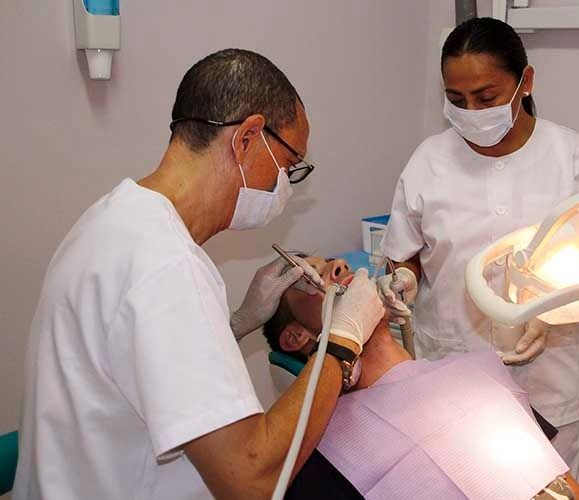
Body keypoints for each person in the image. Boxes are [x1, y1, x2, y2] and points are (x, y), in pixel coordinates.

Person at [14, 49, 384, 500]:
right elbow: (252, 481)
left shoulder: (112, 219)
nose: (285, 185)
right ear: (248, 138)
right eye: (289, 166)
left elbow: (138, 366)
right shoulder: (167, 266)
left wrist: (238, 323)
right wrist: (342, 341)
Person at [377, 18, 579, 483]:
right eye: (457, 100)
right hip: (450, 372)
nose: (471, 112)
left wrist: (554, 313)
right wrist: (400, 279)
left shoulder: (575, 160)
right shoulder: (429, 161)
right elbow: (405, 254)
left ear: (526, 81)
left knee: (551, 488)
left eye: (486, 97)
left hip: (548, 382)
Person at [262, 261, 579, 500]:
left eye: (331, 262)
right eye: (308, 277)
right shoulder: (322, 452)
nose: (337, 266)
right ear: (294, 337)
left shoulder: (477, 374)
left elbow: (566, 489)